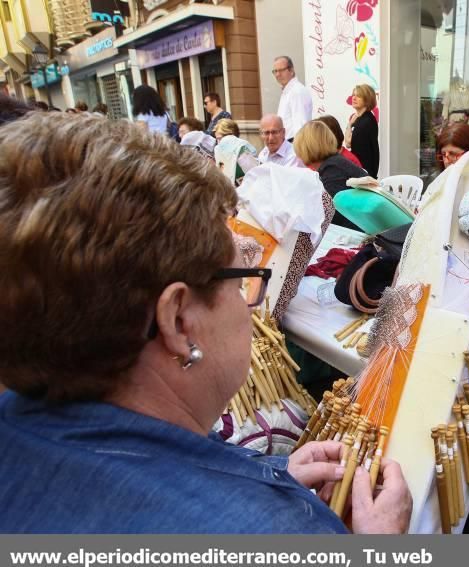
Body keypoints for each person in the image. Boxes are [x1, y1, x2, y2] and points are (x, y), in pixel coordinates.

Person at [0, 112, 411, 534]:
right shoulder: (277, 533)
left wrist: (270, 471)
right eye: (239, 283)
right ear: (178, 321)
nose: (250, 306)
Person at [293, 120, 366, 231]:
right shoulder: (335, 163)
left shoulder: (332, 170)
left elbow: (331, 217)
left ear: (306, 147)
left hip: (356, 237)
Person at [344, 84, 379, 177]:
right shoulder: (360, 118)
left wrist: (350, 125)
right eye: (353, 95)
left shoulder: (366, 121)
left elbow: (348, 143)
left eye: (358, 96)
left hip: (364, 171)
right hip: (362, 169)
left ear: (367, 99)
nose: (354, 98)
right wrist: (350, 124)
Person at [273, 56, 312, 141]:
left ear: (291, 70)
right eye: (275, 71)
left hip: (294, 143)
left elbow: (301, 125)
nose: (277, 74)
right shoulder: (288, 91)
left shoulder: (296, 91)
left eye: (281, 70)